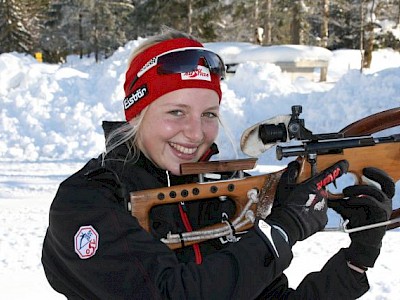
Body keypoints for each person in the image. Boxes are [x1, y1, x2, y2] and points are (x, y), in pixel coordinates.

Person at [42, 28, 394, 299]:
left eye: (209, 114)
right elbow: (170, 294)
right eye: (176, 112)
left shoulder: (220, 194)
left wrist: (356, 260)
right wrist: (280, 232)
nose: (195, 133)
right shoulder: (87, 200)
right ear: (137, 113)